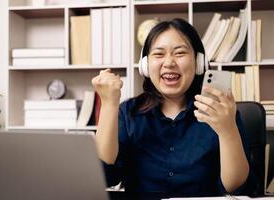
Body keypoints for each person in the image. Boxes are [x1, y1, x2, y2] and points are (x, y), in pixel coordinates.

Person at [92, 18, 255, 198]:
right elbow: (104, 177)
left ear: (198, 62)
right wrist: (108, 104)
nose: (169, 62)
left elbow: (236, 188)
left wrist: (228, 130)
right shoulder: (128, 112)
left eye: (180, 53)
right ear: (145, 66)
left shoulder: (220, 112)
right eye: (159, 54)